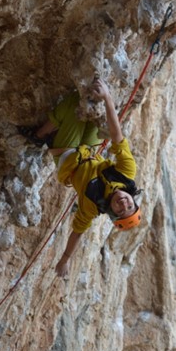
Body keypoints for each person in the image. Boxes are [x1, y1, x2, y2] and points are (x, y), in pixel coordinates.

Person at [20, 79, 142, 277]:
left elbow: (77, 232)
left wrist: (65, 259)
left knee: (76, 103)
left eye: (121, 210)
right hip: (90, 150)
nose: (124, 204)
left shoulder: (91, 206)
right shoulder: (127, 173)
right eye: (130, 206)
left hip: (69, 158)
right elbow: (117, 136)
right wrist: (108, 99)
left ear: (112, 211)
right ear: (133, 200)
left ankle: (40, 134)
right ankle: (69, 126)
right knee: (96, 111)